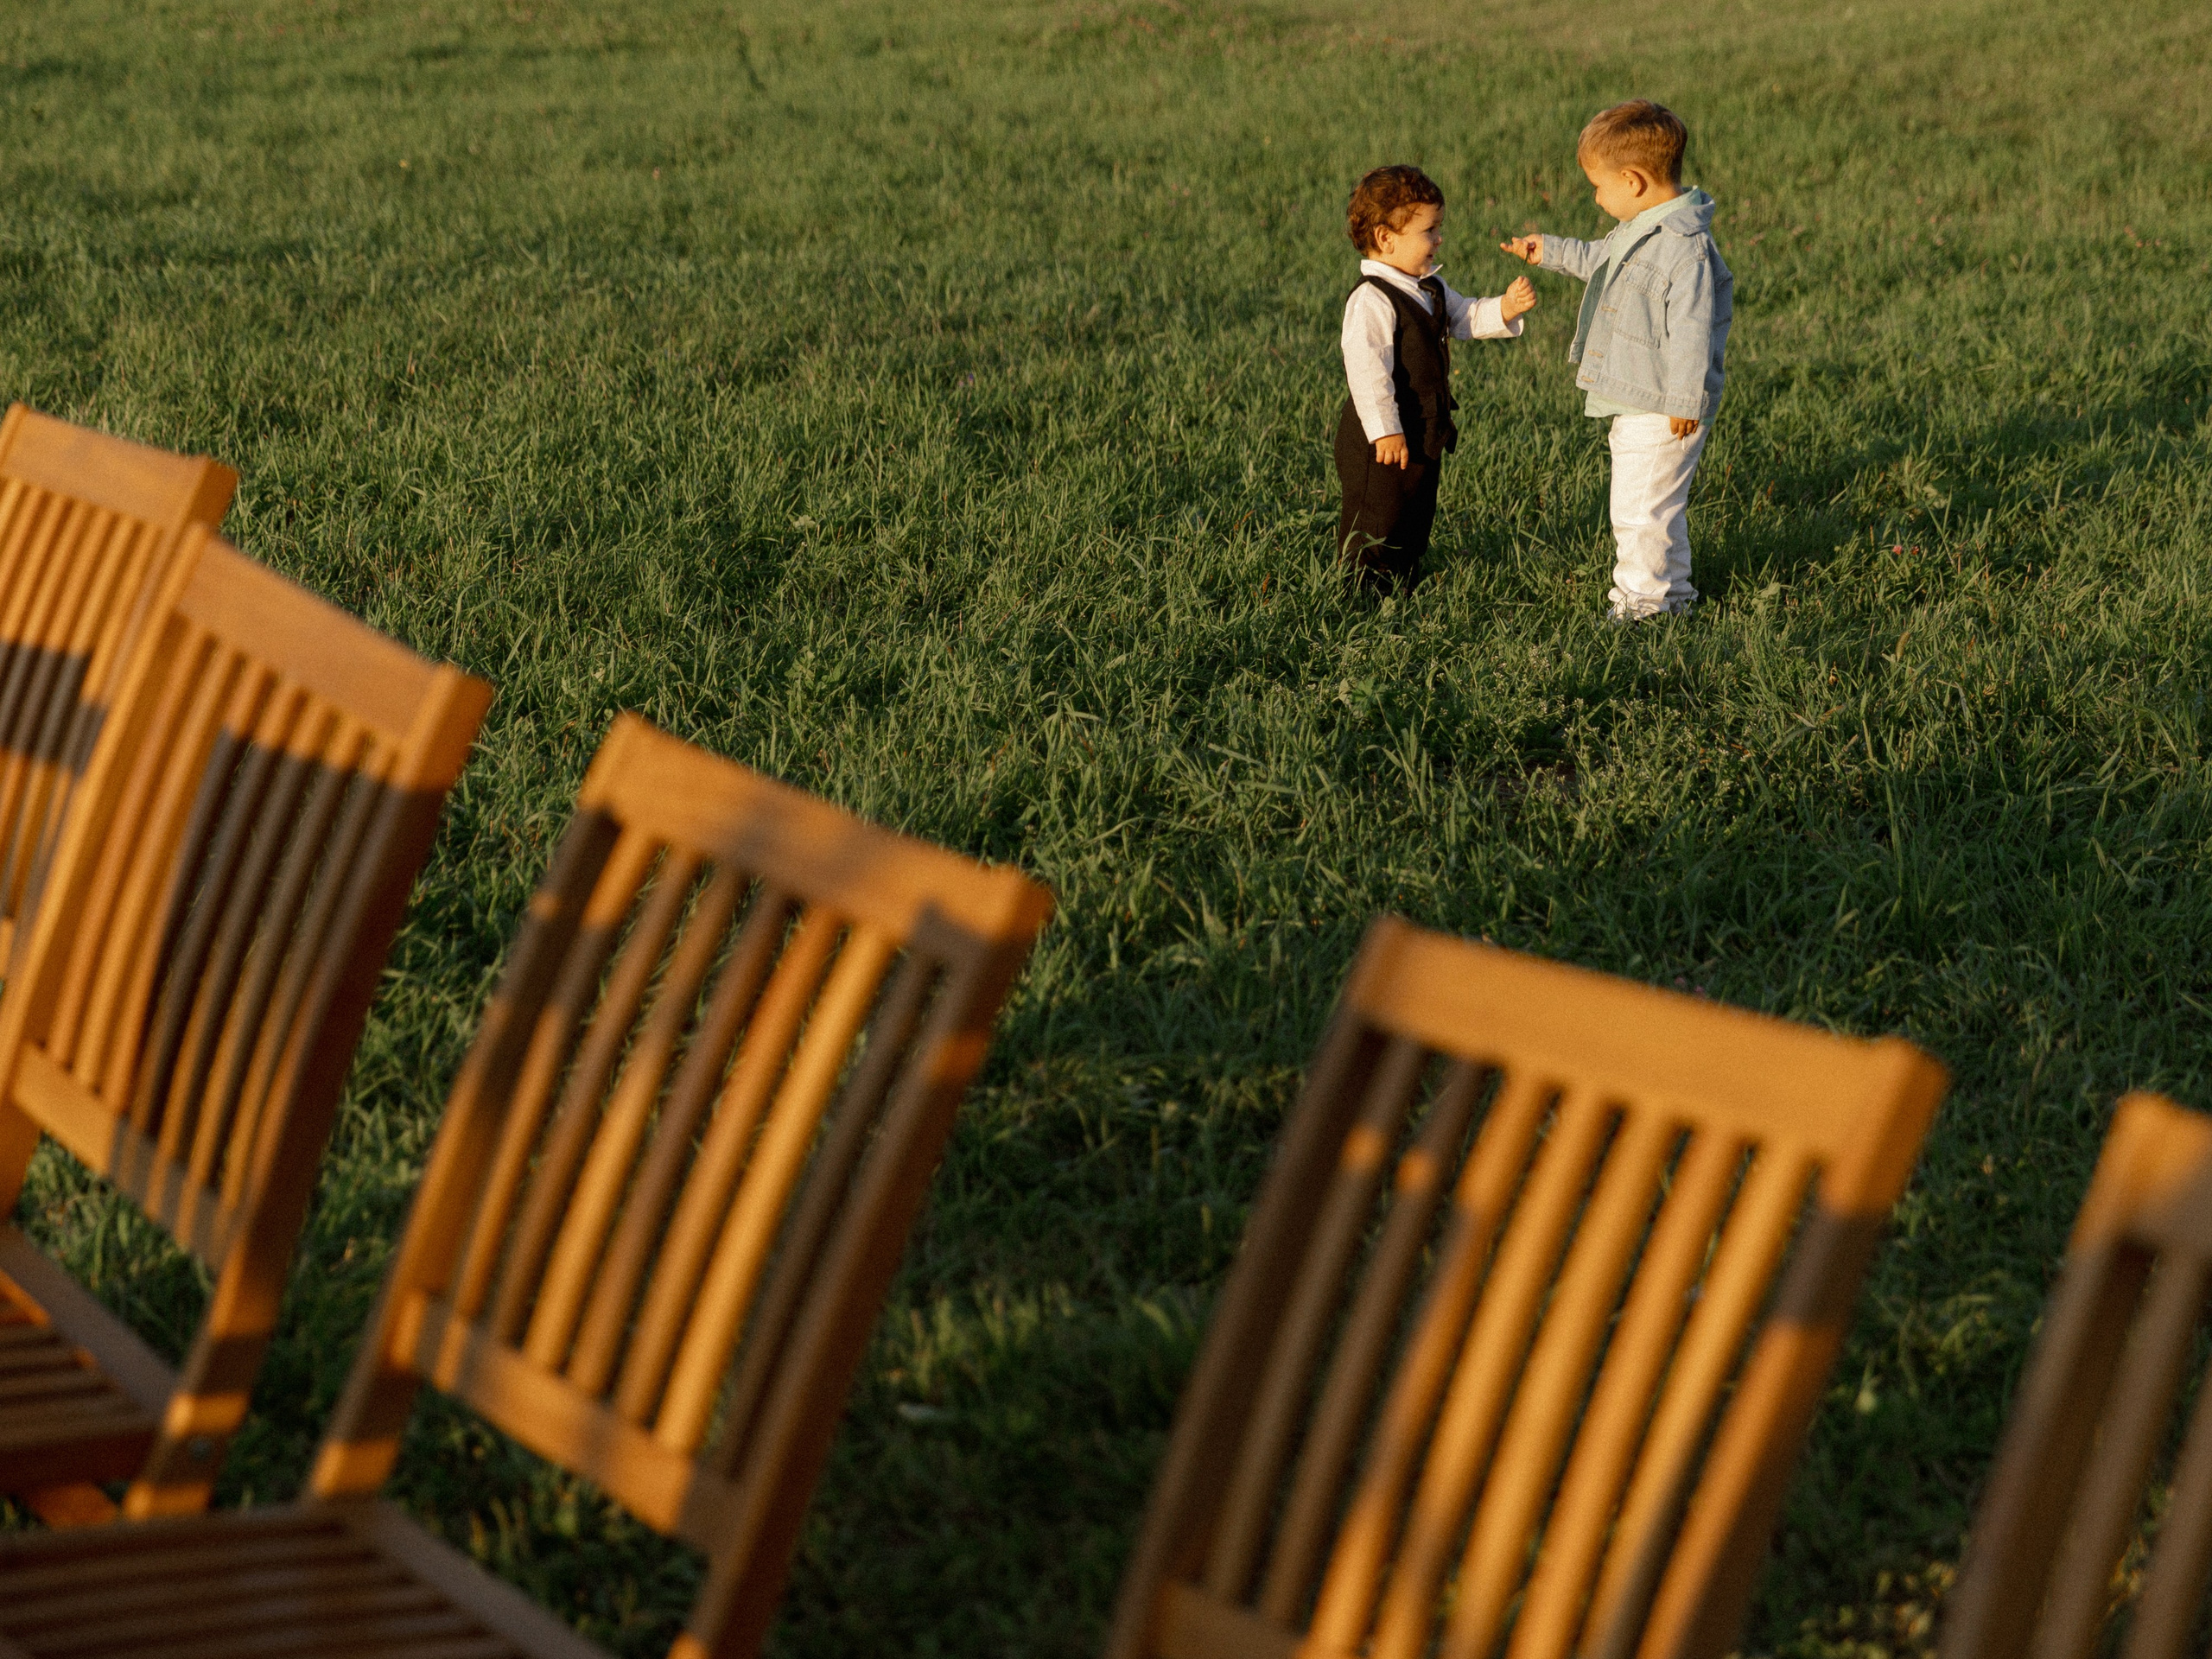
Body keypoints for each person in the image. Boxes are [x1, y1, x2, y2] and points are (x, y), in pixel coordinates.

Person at [1501, 99, 1732, 620]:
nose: (1596, 197)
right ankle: (1673, 596)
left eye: (1597, 186)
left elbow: (1693, 331)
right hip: (1641, 395)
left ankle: (1641, 606)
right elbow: (1599, 260)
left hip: (1663, 405)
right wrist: (1549, 251)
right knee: (1656, 505)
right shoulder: (1641, 226)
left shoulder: (1684, 249)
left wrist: (1684, 399)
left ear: (1632, 181)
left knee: (1639, 509)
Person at [1337, 164, 1536, 594]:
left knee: (1415, 507)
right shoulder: (1373, 300)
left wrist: (1504, 308)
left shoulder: (1430, 287)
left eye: (1438, 228)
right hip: (1382, 438)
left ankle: (1403, 578)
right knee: (1379, 512)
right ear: (1386, 239)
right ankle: (1360, 588)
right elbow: (1368, 373)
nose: (1439, 239)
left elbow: (1463, 316)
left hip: (1425, 427)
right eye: (1429, 230)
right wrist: (1385, 430)